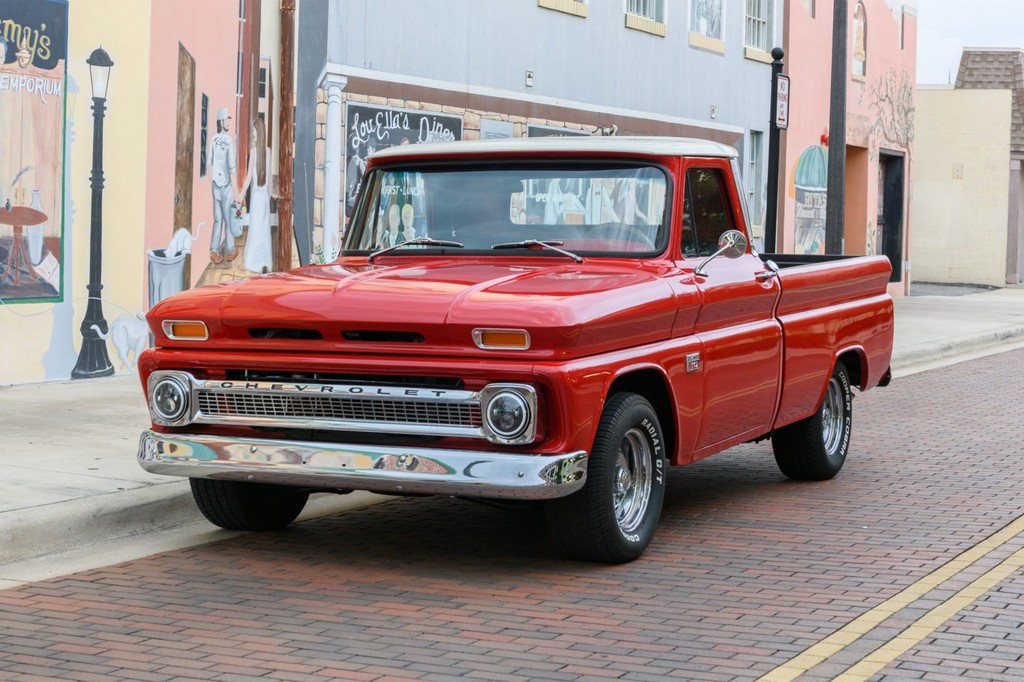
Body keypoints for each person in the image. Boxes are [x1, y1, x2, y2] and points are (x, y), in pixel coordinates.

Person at [237, 118, 272, 274]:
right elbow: (270, 180)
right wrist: (269, 197)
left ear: (259, 132)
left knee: (255, 230)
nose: (252, 134)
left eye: (254, 131)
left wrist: (240, 194)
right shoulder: (268, 152)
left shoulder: (253, 152)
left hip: (257, 199)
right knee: (263, 231)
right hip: (264, 198)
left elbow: (249, 178)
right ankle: (265, 262)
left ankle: (252, 262)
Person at [208, 107, 237, 264]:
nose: (228, 122)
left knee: (217, 219)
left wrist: (215, 178)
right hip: (225, 184)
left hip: (215, 184)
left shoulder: (212, 139)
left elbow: (210, 161)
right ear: (220, 121)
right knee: (228, 219)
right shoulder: (228, 140)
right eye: (226, 120)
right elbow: (232, 166)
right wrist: (236, 189)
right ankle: (230, 251)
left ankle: (213, 249)